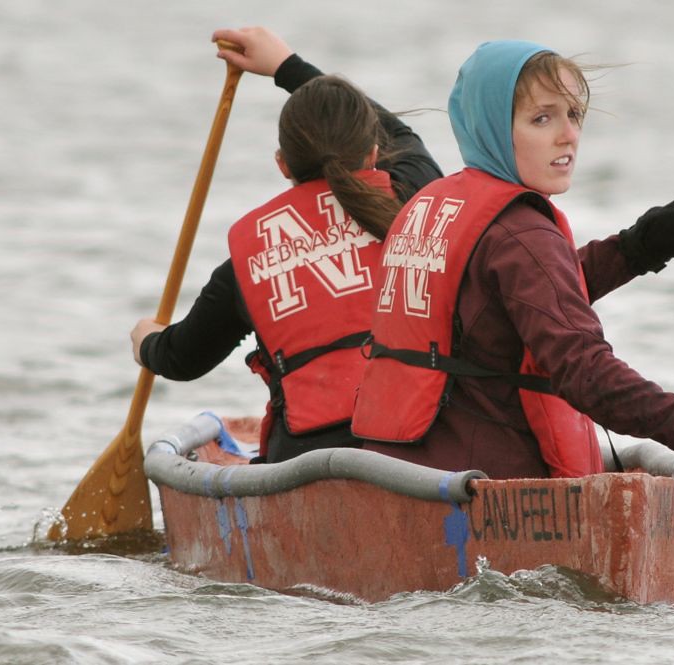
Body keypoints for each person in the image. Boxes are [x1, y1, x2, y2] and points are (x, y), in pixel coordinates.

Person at [351, 40, 674, 482]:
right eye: (542, 118)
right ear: (490, 125)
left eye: (574, 115)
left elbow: (517, 302)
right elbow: (585, 371)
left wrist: (638, 247)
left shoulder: (431, 204)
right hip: (484, 488)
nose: (568, 135)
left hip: (396, 472)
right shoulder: (520, 232)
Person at [131, 27, 442, 463]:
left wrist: (146, 341)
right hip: (424, 441)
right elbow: (400, 133)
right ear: (373, 155)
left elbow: (183, 358)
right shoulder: (415, 194)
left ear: (282, 164)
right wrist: (286, 67)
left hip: (307, 456)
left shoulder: (246, 260)